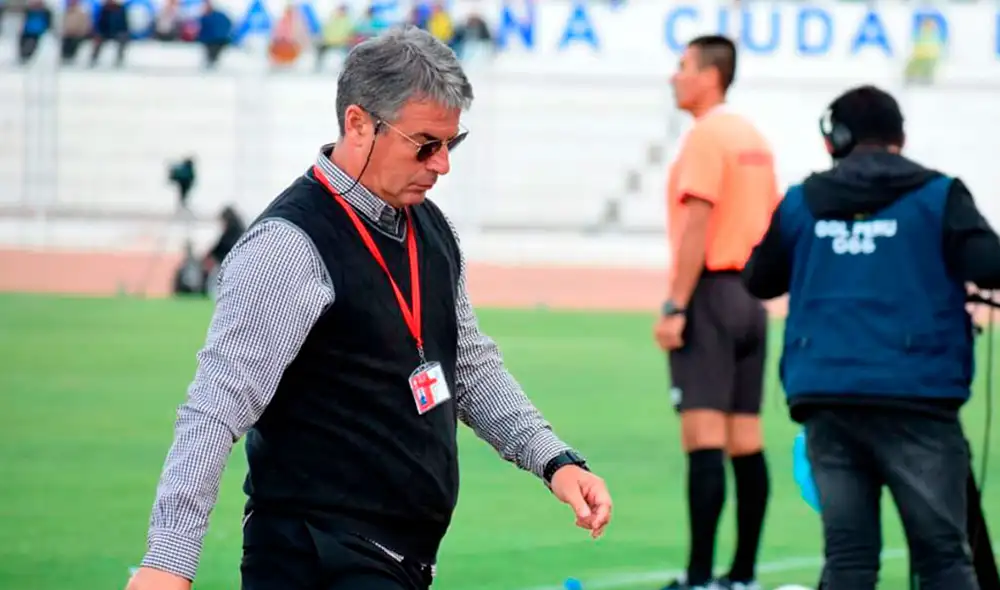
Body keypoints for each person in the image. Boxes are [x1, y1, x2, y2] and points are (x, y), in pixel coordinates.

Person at [126, 26, 612, 590]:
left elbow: (470, 366)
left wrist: (554, 460)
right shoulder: (289, 246)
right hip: (316, 555)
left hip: (395, 561)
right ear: (358, 124)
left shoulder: (432, 229)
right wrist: (167, 560)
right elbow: (214, 409)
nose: (442, 165)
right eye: (425, 144)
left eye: (451, 145)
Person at [742, 84, 1000, 590]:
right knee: (944, 557)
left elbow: (758, 278)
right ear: (898, 136)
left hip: (827, 398)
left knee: (849, 559)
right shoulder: (938, 194)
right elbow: (989, 265)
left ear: (836, 138)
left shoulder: (802, 201)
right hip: (917, 398)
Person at [654, 34, 779, 590]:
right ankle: (743, 574)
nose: (674, 77)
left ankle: (700, 577)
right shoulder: (751, 136)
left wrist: (675, 305)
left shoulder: (707, 138)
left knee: (703, 440)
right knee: (746, 440)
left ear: (709, 75)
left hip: (711, 293)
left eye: (682, 67)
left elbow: (698, 225)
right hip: (752, 300)